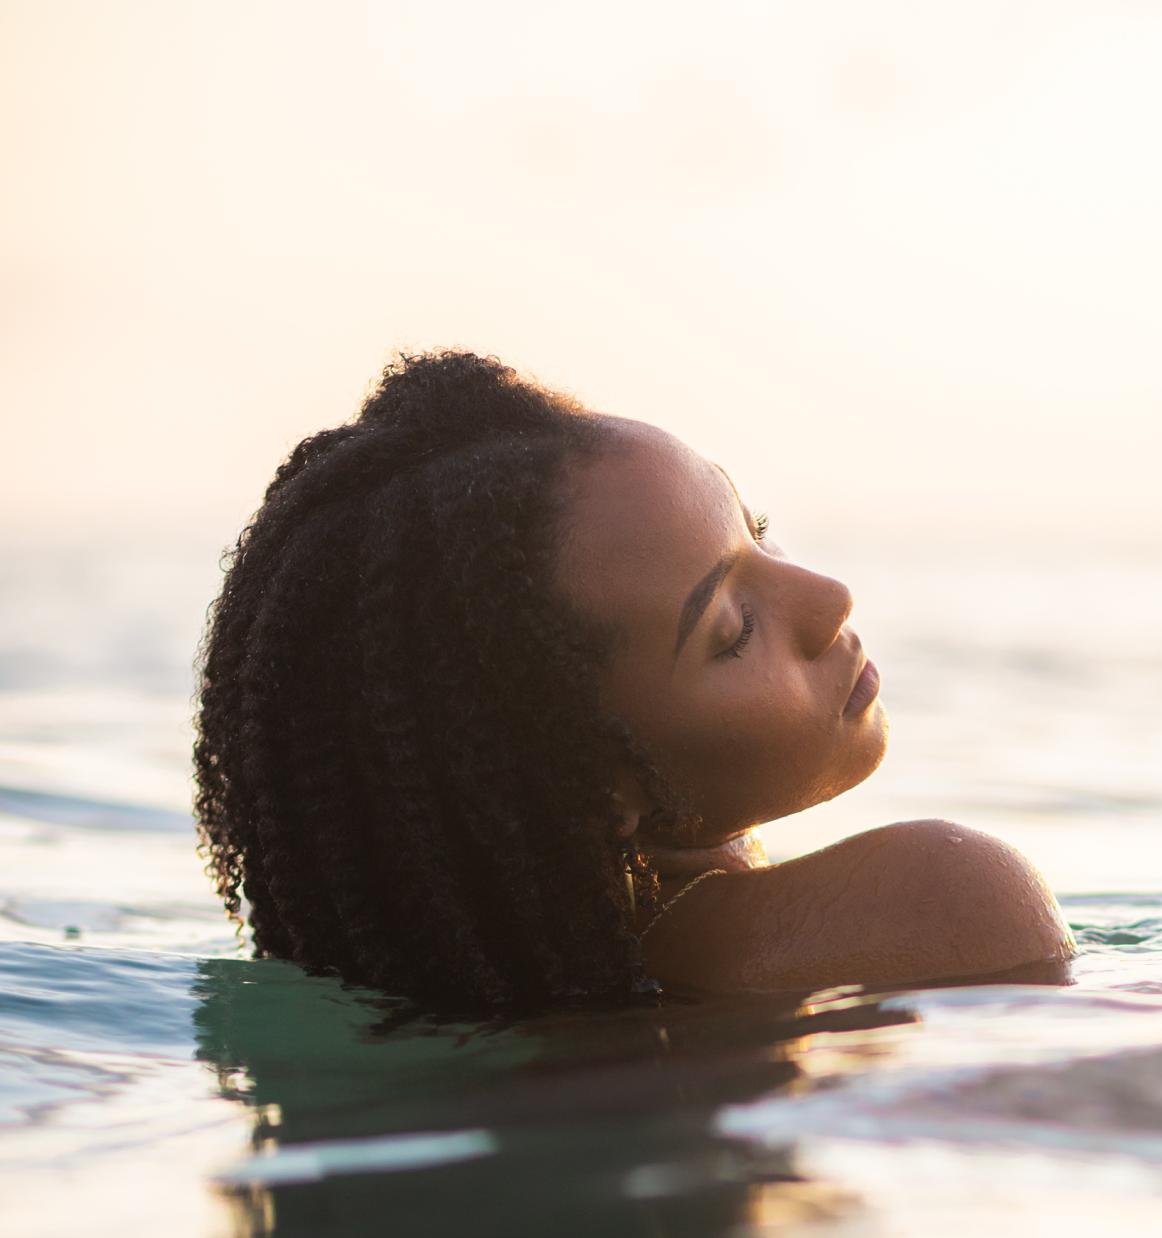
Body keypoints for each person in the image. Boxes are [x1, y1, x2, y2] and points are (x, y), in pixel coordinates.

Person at [193, 350, 1073, 1021]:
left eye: (757, 533)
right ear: (599, 787)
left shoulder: (520, 1003)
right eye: (733, 630)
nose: (827, 597)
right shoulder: (946, 901)